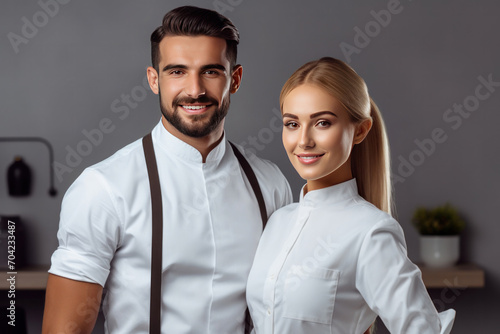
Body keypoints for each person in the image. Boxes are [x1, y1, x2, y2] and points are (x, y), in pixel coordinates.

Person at [42, 6, 292, 334]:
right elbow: (65, 330)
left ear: (235, 79)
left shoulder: (270, 184)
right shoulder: (103, 188)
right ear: (153, 79)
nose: (194, 90)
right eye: (177, 72)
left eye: (211, 71)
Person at [246, 57, 456, 333]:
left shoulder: (371, 232)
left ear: (360, 130)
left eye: (322, 123)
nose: (304, 141)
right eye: (292, 124)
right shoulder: (277, 222)